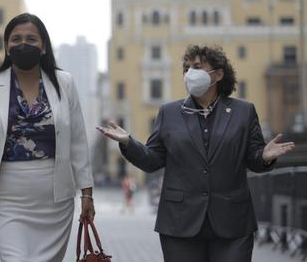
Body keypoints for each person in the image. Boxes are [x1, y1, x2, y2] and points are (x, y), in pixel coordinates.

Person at [97, 44, 295, 262]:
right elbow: (153, 160)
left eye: (198, 66)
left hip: (233, 223)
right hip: (180, 223)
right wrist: (128, 143)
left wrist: (265, 157)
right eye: (187, 68)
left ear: (218, 74)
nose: (191, 72)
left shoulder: (243, 112)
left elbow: (253, 160)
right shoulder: (168, 113)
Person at [0, 13, 95, 261]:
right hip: (5, 198)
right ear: (6, 46)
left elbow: (78, 143)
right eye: (15, 39)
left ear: (43, 46)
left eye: (31, 38)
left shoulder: (65, 82)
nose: (23, 44)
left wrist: (87, 194)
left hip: (55, 201)